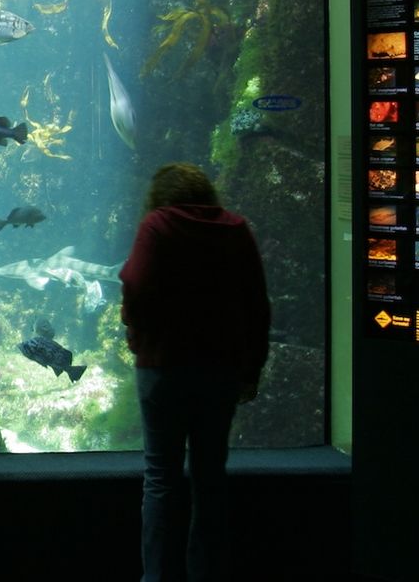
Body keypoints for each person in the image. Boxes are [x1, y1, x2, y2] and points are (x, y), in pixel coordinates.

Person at [120, 163, 271, 582]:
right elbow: (257, 305)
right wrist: (252, 367)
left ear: (159, 197)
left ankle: (156, 578)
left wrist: (136, 333)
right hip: (221, 371)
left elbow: (135, 282)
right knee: (210, 478)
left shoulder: (157, 225)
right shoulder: (235, 228)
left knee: (161, 478)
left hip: (162, 368)